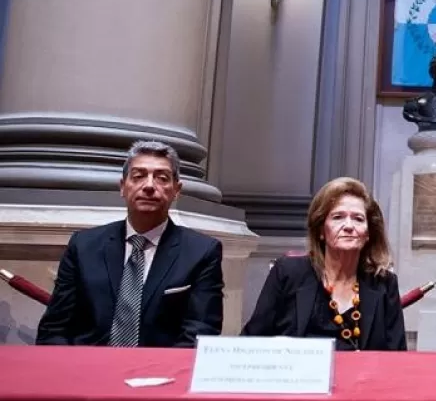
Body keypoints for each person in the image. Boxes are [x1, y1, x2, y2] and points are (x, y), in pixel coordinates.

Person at [36, 140, 224, 347]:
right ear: (123, 186)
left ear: (176, 190)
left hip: (159, 374)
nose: (150, 186)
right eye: (138, 176)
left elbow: (199, 335)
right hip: (87, 369)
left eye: (162, 178)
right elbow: (54, 329)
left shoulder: (201, 252)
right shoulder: (84, 246)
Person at [242, 177, 406, 350]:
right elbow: (252, 340)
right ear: (321, 230)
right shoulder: (289, 273)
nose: (348, 226)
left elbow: (397, 357)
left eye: (358, 218)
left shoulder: (384, 283)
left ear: (368, 234)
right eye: (338, 217)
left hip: (363, 377)